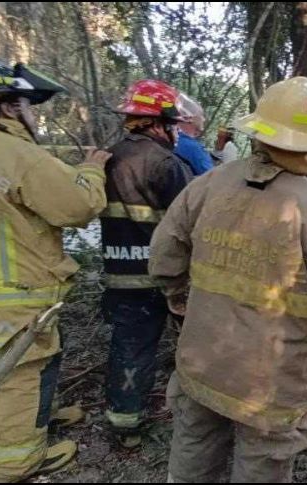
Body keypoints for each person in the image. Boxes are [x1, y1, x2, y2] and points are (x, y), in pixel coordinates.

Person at [149, 76, 307, 483]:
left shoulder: (208, 185)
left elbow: (164, 258)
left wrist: (183, 301)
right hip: (271, 383)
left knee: (193, 450)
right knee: (261, 466)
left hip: (202, 359)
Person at [0, 57, 111, 482]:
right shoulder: (19, 155)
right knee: (17, 375)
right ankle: (15, 463)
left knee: (35, 361)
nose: (32, 113)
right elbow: (78, 207)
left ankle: (41, 417)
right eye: (27, 105)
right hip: (14, 295)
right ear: (10, 106)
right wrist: (91, 168)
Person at [100, 79, 192, 447]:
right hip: (165, 277)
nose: (176, 133)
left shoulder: (107, 158)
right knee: (193, 341)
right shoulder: (166, 163)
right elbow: (189, 223)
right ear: (158, 124)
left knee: (129, 345)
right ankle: (197, 410)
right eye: (173, 126)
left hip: (119, 274)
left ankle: (125, 426)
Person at [174, 93, 213, 176]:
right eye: (201, 115)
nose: (203, 119)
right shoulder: (192, 148)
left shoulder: (169, 139)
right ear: (188, 117)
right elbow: (212, 178)